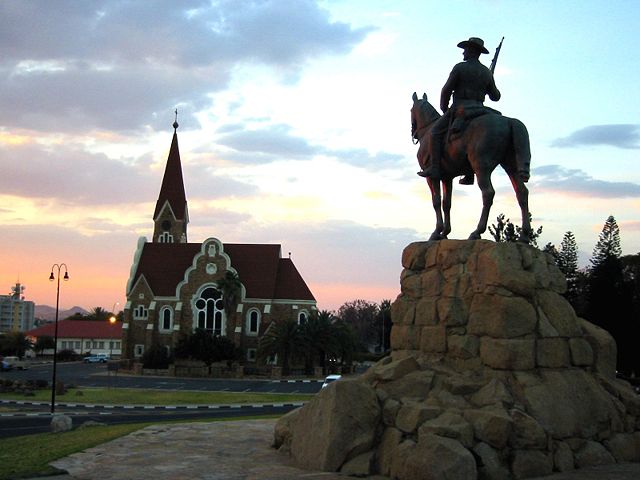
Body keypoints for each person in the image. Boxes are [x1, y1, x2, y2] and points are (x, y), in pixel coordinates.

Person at [418, 37, 501, 184]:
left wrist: (444, 108)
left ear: (471, 51)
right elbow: (496, 96)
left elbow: (446, 90)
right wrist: (488, 79)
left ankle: (435, 167)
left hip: (461, 109)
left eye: (466, 49)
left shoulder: (460, 68)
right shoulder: (485, 72)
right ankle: (470, 174)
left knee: (435, 133)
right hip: (481, 110)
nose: (463, 53)